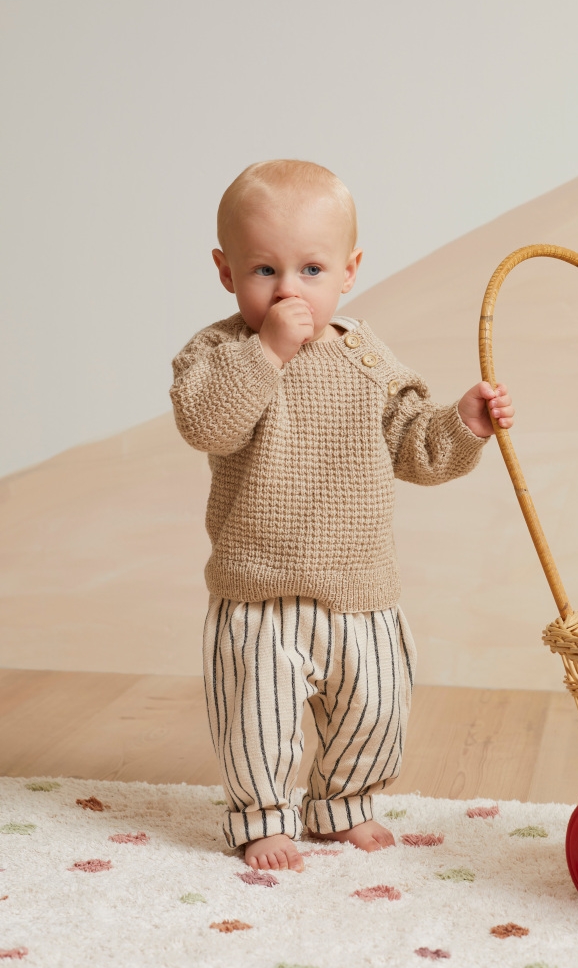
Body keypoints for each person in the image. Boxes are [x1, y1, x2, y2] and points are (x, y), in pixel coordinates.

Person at [170, 159, 514, 874]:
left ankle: (344, 804)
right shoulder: (218, 352)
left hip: (359, 586)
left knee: (376, 707)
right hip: (259, 589)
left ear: (349, 271)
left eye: (311, 270)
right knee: (256, 719)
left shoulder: (364, 355)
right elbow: (209, 425)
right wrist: (268, 351)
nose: (288, 290)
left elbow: (414, 444)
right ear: (226, 271)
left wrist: (463, 423)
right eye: (264, 270)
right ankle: (263, 815)